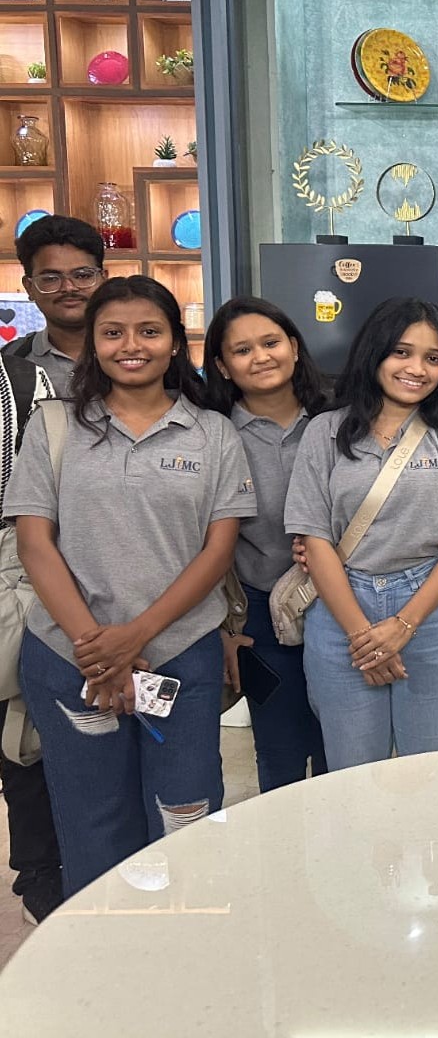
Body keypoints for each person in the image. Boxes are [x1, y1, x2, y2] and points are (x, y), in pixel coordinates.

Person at [6, 275, 256, 895]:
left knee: (185, 813)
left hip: (179, 654)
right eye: (113, 333)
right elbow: (35, 543)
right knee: (92, 819)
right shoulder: (54, 426)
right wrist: (96, 649)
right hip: (70, 657)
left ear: (175, 342)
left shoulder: (213, 433)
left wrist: (134, 637)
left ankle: (182, 939)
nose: (131, 346)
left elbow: (217, 550)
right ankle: (103, 944)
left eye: (149, 331)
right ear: (93, 343)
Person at [284, 298, 438, 770]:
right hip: (341, 609)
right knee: (353, 769)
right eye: (401, 352)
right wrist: (364, 638)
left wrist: (405, 625)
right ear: (374, 352)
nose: (417, 368)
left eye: (433, 358)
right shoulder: (325, 431)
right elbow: (315, 538)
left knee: (437, 768)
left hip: (433, 609)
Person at [203, 297, 328, 793]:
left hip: (338, 603)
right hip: (255, 611)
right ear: (222, 366)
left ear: (294, 347)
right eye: (242, 350)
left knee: (341, 743)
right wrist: (224, 629)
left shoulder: (339, 421)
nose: (260, 357)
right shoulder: (212, 434)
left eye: (271, 343)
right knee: (278, 750)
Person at [0, 354, 57, 924]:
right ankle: (40, 869)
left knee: (24, 726)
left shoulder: (22, 379)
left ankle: (44, 868)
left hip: (24, 559)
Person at [4, 214, 108, 395]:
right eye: (51, 278)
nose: (69, 288)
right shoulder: (8, 364)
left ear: (103, 280)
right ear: (29, 287)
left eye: (82, 275)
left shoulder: (139, 354)